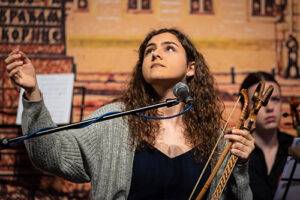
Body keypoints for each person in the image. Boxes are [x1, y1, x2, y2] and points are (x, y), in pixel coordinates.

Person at [5, 28, 254, 199]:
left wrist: (240, 166)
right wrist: (33, 94)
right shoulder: (115, 120)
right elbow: (51, 154)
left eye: (169, 48)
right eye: (149, 51)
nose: (156, 53)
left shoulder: (214, 136)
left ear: (191, 68)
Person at [240, 71, 294, 200]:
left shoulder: (295, 146)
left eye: (275, 99)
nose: (269, 107)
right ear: (245, 108)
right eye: (259, 101)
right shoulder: (237, 151)